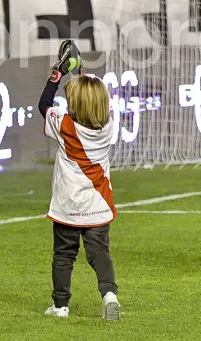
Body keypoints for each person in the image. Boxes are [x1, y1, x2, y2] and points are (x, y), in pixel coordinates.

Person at [38, 41, 120, 321]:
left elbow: (44, 104)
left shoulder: (64, 126)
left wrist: (57, 75)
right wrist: (80, 73)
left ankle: (60, 306)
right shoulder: (109, 125)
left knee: (63, 256)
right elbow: (87, 103)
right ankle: (110, 295)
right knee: (100, 255)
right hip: (98, 204)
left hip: (67, 206)